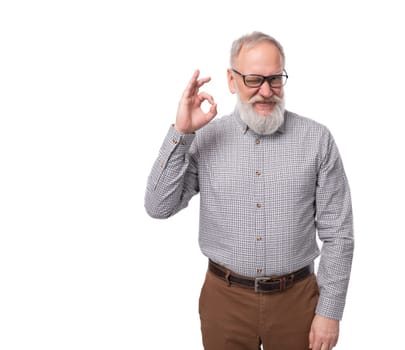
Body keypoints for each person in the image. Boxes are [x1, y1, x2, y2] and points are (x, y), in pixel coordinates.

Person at [144, 31, 354, 350]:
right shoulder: (205, 137)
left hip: (297, 302)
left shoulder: (317, 140)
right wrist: (182, 132)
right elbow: (158, 206)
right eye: (254, 79)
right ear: (232, 80)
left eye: (275, 79)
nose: (266, 91)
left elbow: (338, 233)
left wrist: (330, 312)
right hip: (224, 302)